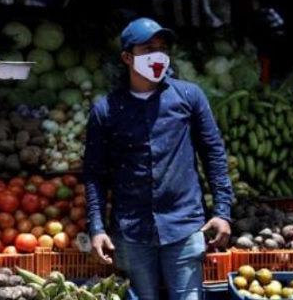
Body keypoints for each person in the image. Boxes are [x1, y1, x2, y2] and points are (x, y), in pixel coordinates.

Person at [82, 17, 234, 300]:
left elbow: (213, 155)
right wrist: (96, 227)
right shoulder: (106, 110)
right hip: (132, 230)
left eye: (163, 49)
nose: (158, 56)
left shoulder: (189, 97)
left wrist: (222, 211)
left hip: (184, 225)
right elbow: (94, 173)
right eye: (148, 48)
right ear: (127, 57)